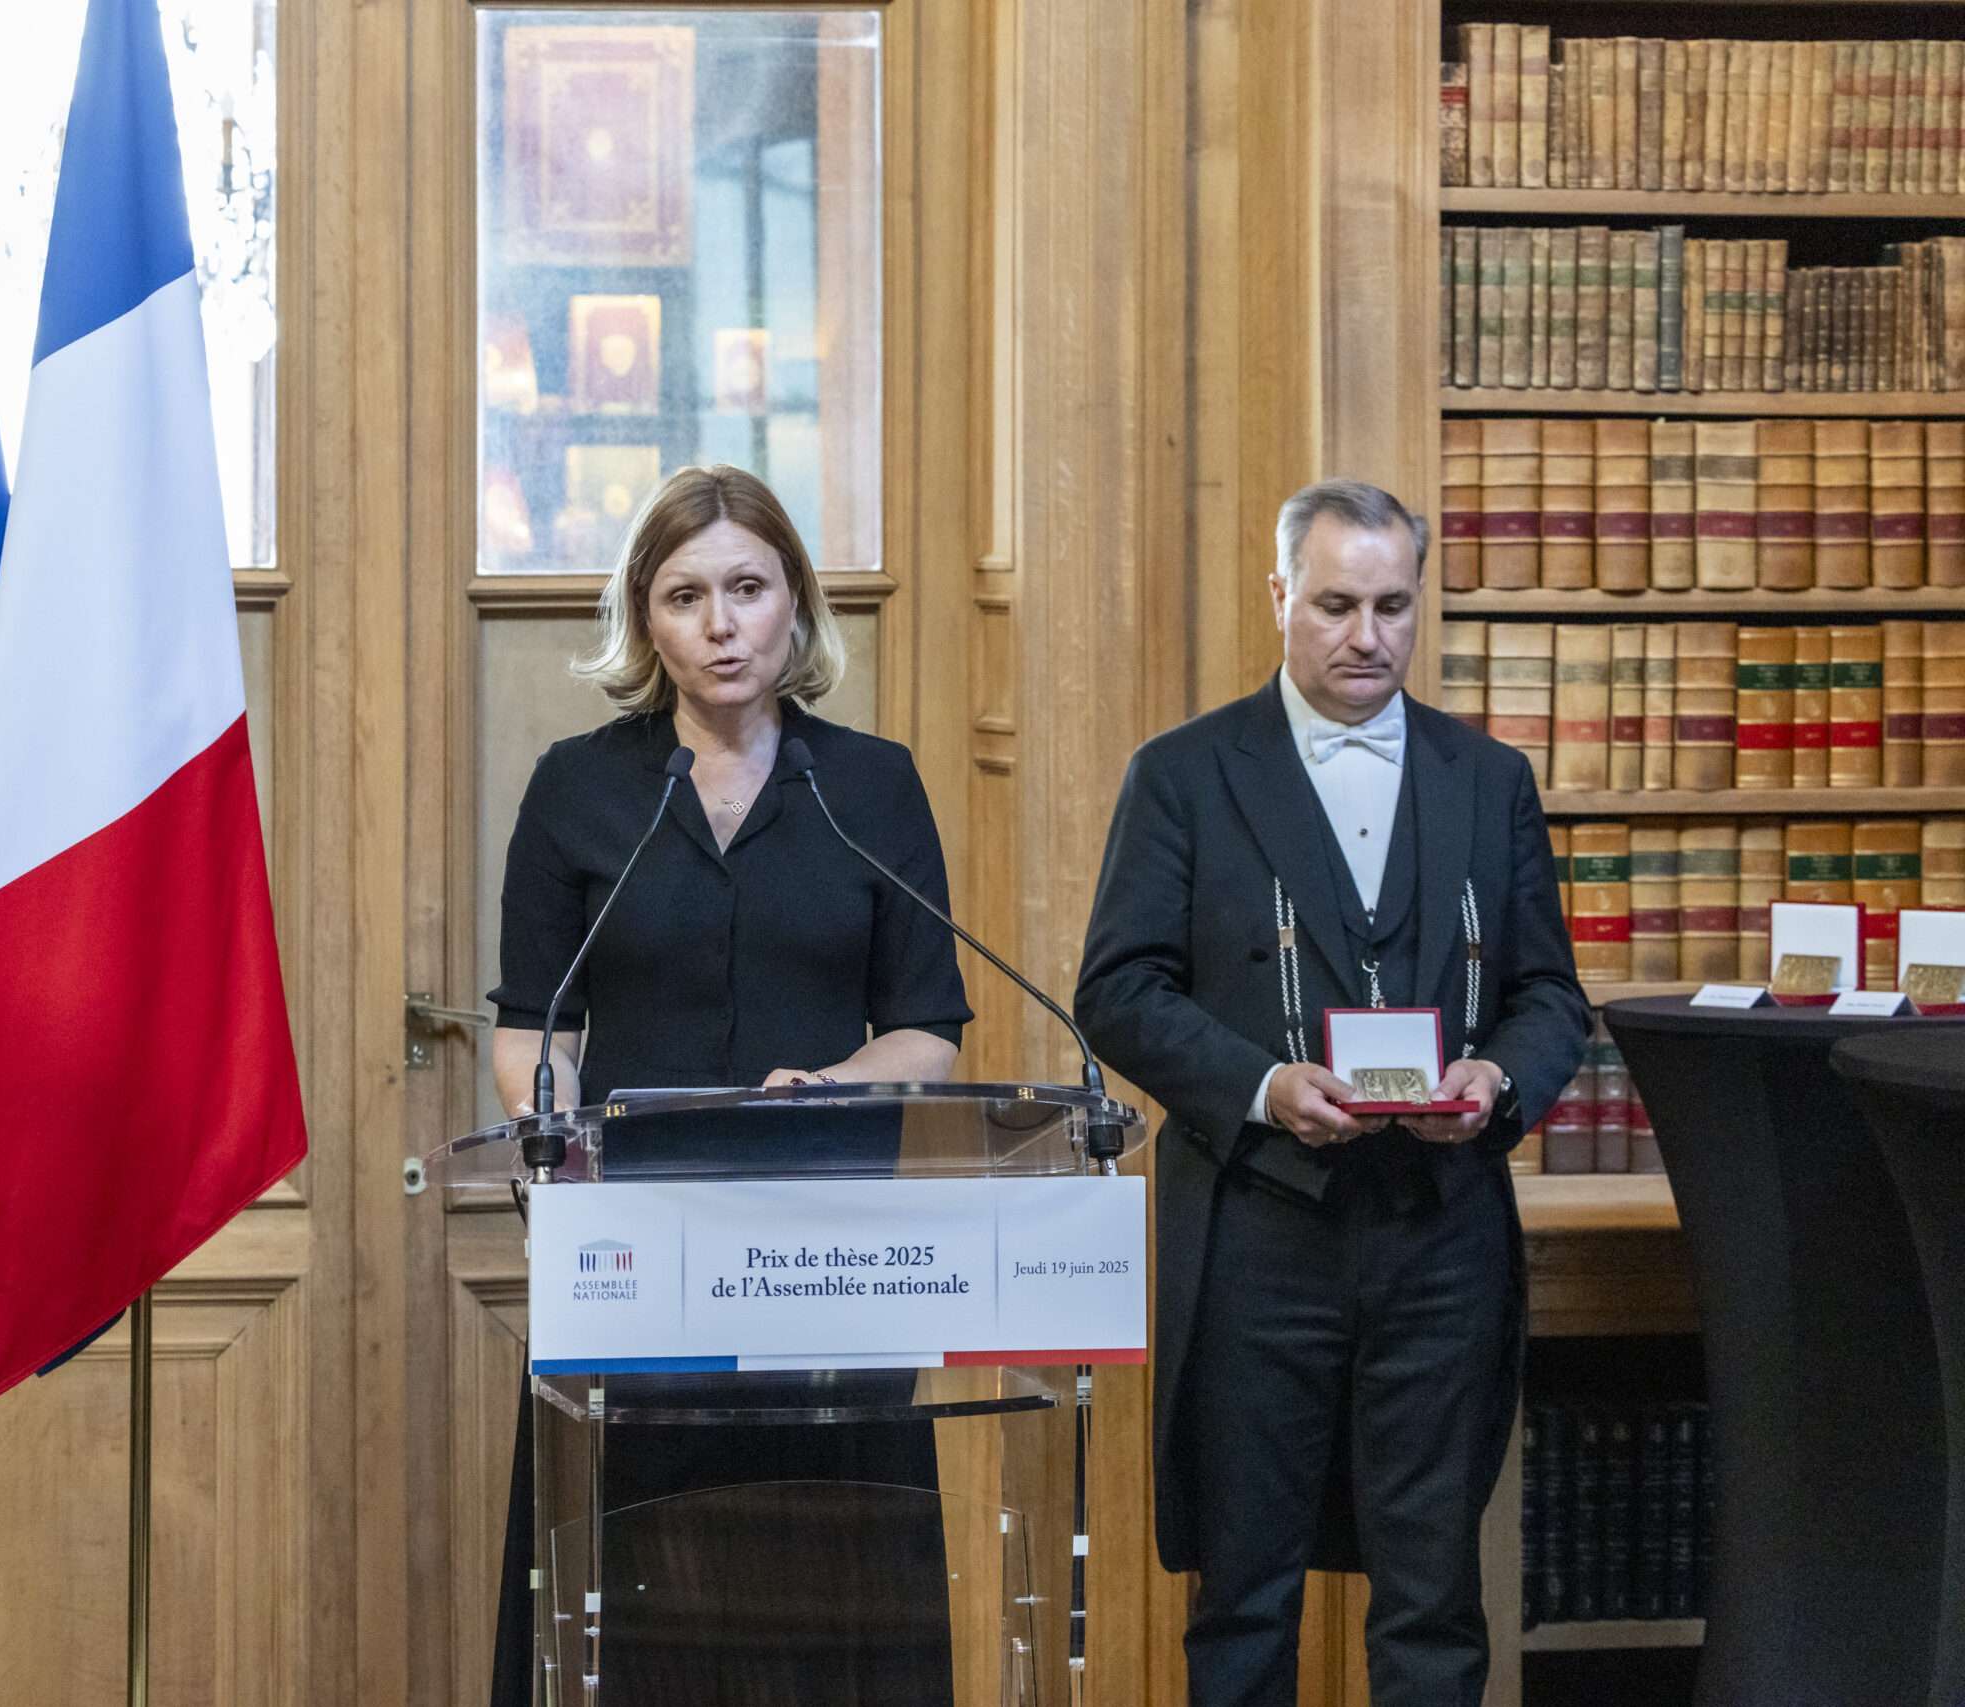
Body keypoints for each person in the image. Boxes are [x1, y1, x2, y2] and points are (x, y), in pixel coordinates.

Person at [1075, 479, 1587, 1707]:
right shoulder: (1183, 774)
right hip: (1259, 1229)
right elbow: (1118, 990)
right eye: (1335, 605)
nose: (1365, 636)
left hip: (1441, 1234)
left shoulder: (1489, 778)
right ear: (1280, 598)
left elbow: (1549, 998)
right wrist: (1259, 1086)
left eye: (1392, 607)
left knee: (1433, 1600)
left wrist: (1496, 1079)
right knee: (1243, 1600)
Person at [485, 463, 972, 1703]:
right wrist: (556, 1135)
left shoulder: (870, 786)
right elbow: (534, 1026)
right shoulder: (580, 786)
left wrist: (832, 1084)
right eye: (685, 595)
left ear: (794, 604)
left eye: (747, 589)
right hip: (634, 1259)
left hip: (831, 1259)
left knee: (828, 1591)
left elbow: (927, 1031)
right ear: (644, 621)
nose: (721, 624)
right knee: (636, 1595)